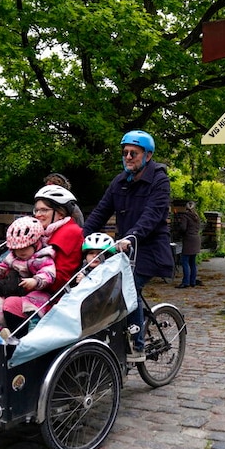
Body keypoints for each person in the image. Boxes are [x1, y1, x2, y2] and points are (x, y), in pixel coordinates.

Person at [82, 130, 174, 362]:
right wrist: (79, 237)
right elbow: (100, 213)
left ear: (148, 156)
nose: (129, 157)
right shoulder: (119, 182)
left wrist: (131, 236)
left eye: (134, 153)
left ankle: (137, 343)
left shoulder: (159, 180)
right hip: (126, 250)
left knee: (128, 288)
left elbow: (152, 216)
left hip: (150, 249)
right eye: (125, 153)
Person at [0, 184, 83, 335]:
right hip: (33, 287)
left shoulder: (69, 233)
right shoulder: (44, 231)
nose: (38, 214)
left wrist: (24, 281)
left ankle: (20, 347)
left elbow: (59, 279)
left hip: (53, 295)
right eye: (36, 210)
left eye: (44, 210)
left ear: (60, 213)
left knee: (9, 304)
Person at [0, 216, 56, 334]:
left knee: (11, 305)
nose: (22, 251)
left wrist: (36, 281)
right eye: (18, 249)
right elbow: (2, 267)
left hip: (36, 292)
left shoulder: (42, 257)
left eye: (26, 247)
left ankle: (16, 334)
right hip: (17, 287)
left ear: (36, 243)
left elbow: (48, 272)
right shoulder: (13, 257)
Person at [176, 201, 201, 288]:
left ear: (186, 208)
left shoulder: (185, 216)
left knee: (185, 261)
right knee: (192, 263)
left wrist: (178, 228)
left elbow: (183, 228)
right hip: (196, 240)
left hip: (188, 241)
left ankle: (185, 282)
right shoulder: (196, 216)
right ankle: (193, 281)